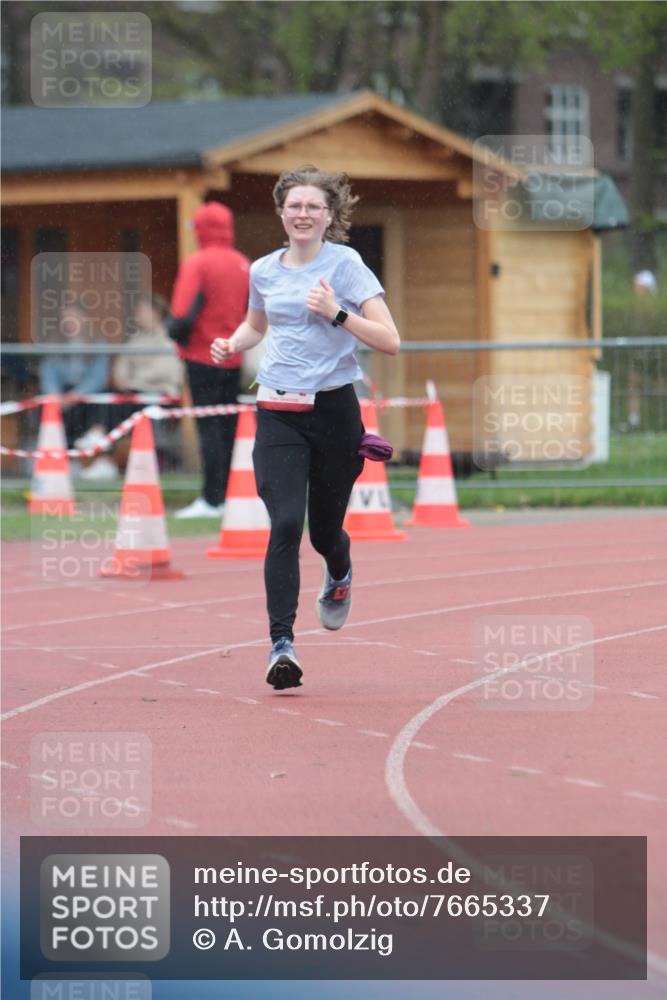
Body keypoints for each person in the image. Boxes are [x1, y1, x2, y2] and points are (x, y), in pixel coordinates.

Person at [211, 165, 400, 690]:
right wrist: (232, 343)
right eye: (294, 205)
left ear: (329, 215)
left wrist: (337, 313)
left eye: (313, 206)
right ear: (281, 212)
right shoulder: (264, 270)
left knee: (323, 534)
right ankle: (281, 645)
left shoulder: (347, 265)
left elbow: (390, 341)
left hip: (335, 412)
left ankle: (339, 572)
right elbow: (256, 324)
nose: (302, 214)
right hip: (277, 412)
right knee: (286, 523)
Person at [170, 201, 250, 518]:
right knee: (230, 426)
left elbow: (181, 317)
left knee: (209, 429)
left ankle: (212, 499)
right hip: (234, 356)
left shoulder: (198, 264)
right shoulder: (244, 263)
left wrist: (175, 336)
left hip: (202, 356)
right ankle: (231, 494)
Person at [38, 302, 110, 447]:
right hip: (62, 394)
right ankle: (56, 450)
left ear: (83, 319)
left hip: (86, 393)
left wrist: (76, 395)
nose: (69, 321)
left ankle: (93, 450)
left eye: (73, 317)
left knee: (103, 400)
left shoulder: (98, 344)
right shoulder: (54, 344)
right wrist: (55, 395)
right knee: (47, 406)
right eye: (65, 318)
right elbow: (48, 372)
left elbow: (98, 377)